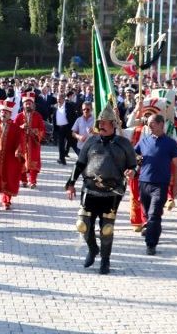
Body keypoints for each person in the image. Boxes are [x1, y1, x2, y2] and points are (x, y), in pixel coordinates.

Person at [65, 105, 137, 274]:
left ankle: (105, 260)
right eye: (100, 122)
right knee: (82, 224)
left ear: (113, 124)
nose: (101, 125)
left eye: (104, 122)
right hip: (89, 189)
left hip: (112, 191)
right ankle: (92, 249)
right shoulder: (91, 141)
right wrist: (71, 182)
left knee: (106, 228)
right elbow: (80, 163)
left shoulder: (123, 144)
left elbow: (133, 165)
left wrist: (132, 171)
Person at [134, 114, 177, 255]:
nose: (149, 126)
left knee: (154, 214)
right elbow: (133, 156)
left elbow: (176, 166)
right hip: (144, 183)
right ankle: (153, 233)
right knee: (149, 216)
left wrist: (176, 186)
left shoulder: (171, 143)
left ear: (161, 124)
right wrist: (136, 161)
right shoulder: (144, 141)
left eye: (152, 123)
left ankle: (151, 244)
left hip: (160, 184)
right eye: (148, 123)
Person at [14, 91, 46, 189]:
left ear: (33, 104)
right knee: (21, 161)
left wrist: (35, 131)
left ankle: (32, 181)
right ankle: (23, 180)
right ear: (23, 104)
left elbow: (42, 130)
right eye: (26, 103)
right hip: (21, 143)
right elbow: (14, 129)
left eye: (30, 103)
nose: (28, 105)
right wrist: (21, 127)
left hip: (34, 143)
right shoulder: (18, 116)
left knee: (34, 162)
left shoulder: (38, 116)